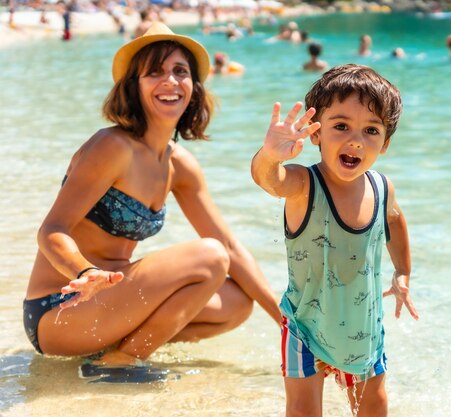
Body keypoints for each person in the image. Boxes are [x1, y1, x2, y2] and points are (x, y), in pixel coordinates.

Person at [23, 22, 281, 371]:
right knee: (210, 256)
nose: (170, 81)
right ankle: (120, 363)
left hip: (115, 303)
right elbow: (51, 229)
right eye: (155, 72)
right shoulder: (112, 146)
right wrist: (84, 271)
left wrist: (286, 325)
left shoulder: (180, 166)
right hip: (60, 309)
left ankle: (116, 350)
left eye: (180, 71)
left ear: (194, 86)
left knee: (235, 302)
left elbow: (231, 246)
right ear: (135, 85)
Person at [251, 64, 419, 417]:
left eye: (371, 130)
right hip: (305, 325)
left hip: (362, 327)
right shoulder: (303, 185)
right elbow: (270, 180)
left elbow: (395, 220)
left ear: (385, 143)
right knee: (303, 411)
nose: (355, 140)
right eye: (340, 126)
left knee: (374, 405)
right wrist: (270, 156)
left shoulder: (382, 188)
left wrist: (403, 272)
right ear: (315, 134)